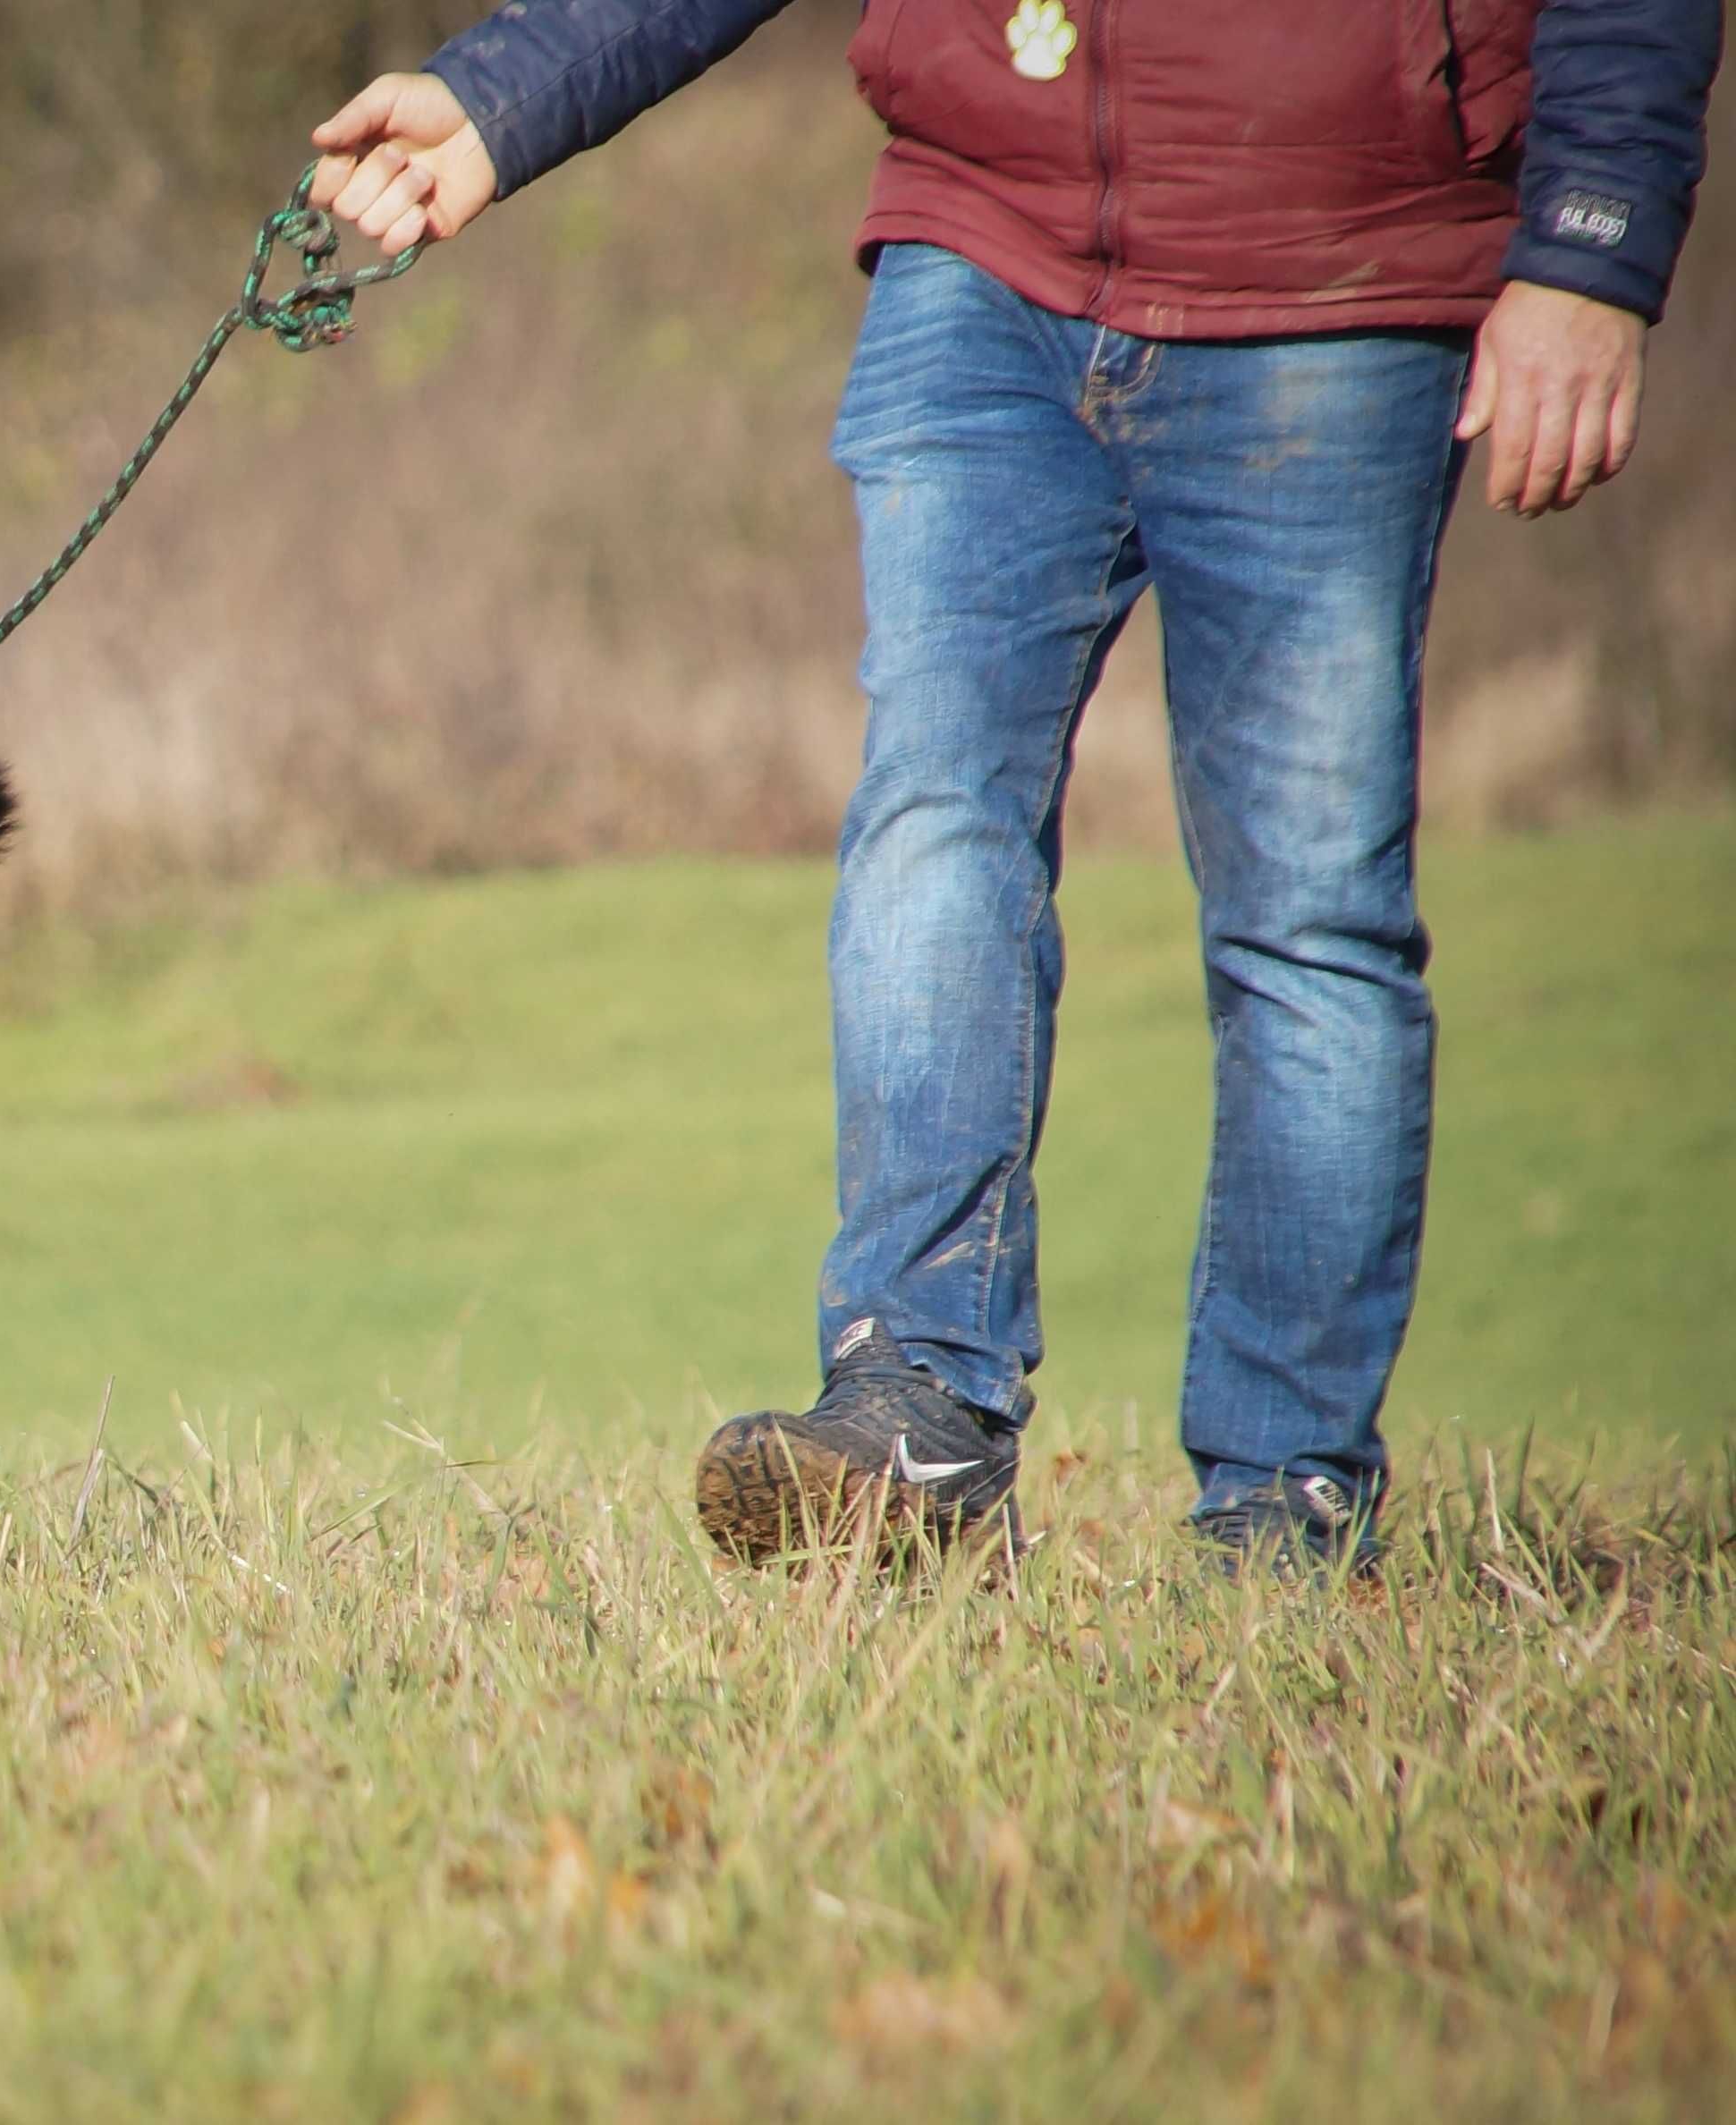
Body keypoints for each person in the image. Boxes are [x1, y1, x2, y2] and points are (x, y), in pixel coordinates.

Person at [308, 1, 1719, 1570]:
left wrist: (1590, 244)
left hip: (1336, 259)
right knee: (931, 821)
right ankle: (917, 1412)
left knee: (1308, 911)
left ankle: (1284, 1497)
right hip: (986, 241)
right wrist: (501, 96)